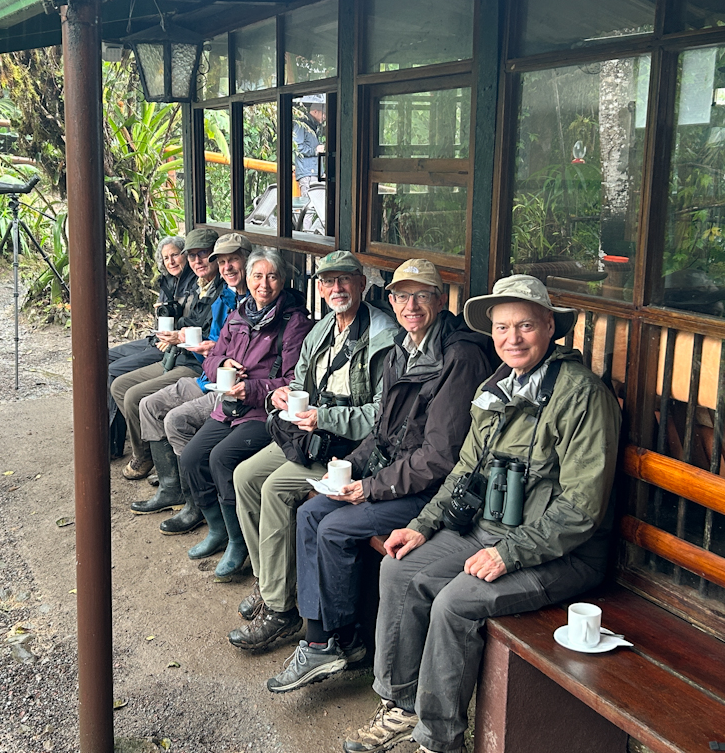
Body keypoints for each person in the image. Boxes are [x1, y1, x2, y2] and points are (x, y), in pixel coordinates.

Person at [344, 274, 621, 753]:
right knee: (398, 567)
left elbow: (581, 508)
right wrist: (421, 525)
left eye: (526, 326)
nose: (512, 339)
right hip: (484, 529)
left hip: (561, 554)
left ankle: (439, 738)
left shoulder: (581, 395)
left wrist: (509, 553)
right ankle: (400, 704)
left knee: (456, 602)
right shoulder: (497, 386)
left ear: (550, 327)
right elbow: (464, 469)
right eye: (502, 328)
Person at [265, 259, 493, 693]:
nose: (411, 305)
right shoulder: (399, 352)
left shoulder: (458, 358)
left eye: (422, 295)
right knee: (313, 512)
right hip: (393, 475)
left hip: (429, 492)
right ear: (389, 300)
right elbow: (381, 432)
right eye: (402, 296)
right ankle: (325, 638)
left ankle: (342, 639)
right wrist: (347, 471)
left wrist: (369, 487)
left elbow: (439, 459)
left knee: (334, 528)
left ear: (440, 300)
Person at [229, 251, 397, 650]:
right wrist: (285, 396)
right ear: (319, 289)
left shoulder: (384, 337)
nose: (336, 289)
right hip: (310, 435)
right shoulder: (323, 330)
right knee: (245, 477)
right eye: (328, 282)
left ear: (361, 284)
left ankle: (280, 609)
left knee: (274, 490)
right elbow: (300, 380)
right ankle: (271, 578)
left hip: (347, 447)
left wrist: (326, 418)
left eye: (345, 280)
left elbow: (382, 415)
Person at [180, 249, 313, 580]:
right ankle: (218, 529)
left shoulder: (294, 322)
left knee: (222, 458)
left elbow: (296, 380)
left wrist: (252, 389)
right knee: (192, 457)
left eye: (272, 277)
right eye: (257, 276)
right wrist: (222, 364)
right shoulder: (239, 314)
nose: (264, 284)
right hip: (228, 408)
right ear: (249, 280)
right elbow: (212, 357)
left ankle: (239, 542)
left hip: (262, 412)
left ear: (282, 281)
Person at [130, 233, 253, 526]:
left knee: (175, 419)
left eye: (232, 260)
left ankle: (195, 503)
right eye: (222, 262)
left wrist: (213, 354)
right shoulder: (225, 298)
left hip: (230, 387)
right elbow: (216, 346)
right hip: (207, 376)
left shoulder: (255, 304)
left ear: (248, 262)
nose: (227, 267)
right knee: (148, 405)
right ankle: (172, 489)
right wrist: (212, 353)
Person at [110, 229, 223, 479]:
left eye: (203, 255)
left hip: (195, 364)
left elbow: (213, 337)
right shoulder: (200, 286)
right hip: (176, 354)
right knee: (119, 385)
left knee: (134, 397)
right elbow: (191, 322)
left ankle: (156, 463)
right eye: (192, 256)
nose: (197, 261)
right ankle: (149, 452)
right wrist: (176, 332)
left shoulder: (222, 292)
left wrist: (181, 335)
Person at [106, 235, 194, 458]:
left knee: (114, 372)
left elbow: (192, 323)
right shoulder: (167, 280)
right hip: (157, 339)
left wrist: (174, 328)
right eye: (166, 258)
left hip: (171, 347)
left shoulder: (195, 282)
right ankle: (116, 434)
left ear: (185, 255)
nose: (171, 261)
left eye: (175, 255)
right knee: (105, 357)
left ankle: (118, 444)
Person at [293, 102, 326, 233]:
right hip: (307, 173)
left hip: (315, 172)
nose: (325, 117)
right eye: (324, 113)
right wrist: (315, 149)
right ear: (315, 112)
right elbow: (297, 147)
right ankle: (306, 238)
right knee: (309, 209)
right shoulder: (302, 125)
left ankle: (312, 235)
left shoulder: (315, 127)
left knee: (319, 207)